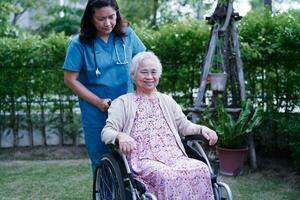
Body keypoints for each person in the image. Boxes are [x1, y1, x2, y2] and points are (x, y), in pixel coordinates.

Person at [102, 51, 218, 200]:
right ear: (133, 75)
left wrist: (202, 129)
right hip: (143, 161)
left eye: (153, 72)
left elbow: (184, 126)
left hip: (175, 157)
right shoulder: (123, 102)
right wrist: (120, 135)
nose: (149, 77)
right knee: (166, 175)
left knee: (201, 168)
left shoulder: (167, 101)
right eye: (144, 72)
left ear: (159, 75)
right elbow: (106, 132)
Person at [63, 0, 146, 175]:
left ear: (117, 14)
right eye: (101, 19)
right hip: (96, 112)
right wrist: (98, 102)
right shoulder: (78, 44)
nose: (107, 23)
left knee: (133, 156)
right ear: (91, 18)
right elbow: (70, 79)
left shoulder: (127, 35)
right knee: (102, 159)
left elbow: (143, 63)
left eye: (111, 17)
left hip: (128, 109)